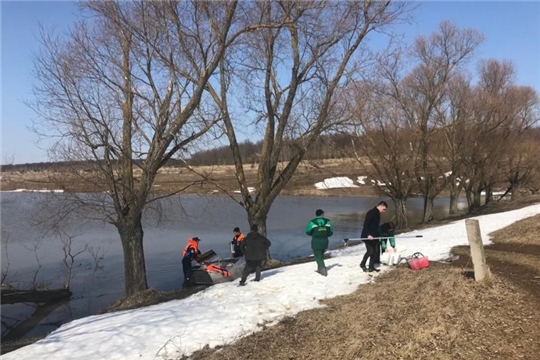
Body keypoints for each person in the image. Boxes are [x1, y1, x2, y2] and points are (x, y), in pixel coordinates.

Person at [360, 201, 388, 273]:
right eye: (384, 209)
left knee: (376, 251)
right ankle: (362, 264)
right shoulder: (371, 212)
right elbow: (366, 225)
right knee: (370, 251)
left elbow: (375, 227)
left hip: (375, 236)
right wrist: (368, 234)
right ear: (381, 206)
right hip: (367, 236)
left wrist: (378, 235)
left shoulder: (377, 213)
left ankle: (371, 267)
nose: (384, 211)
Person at [305, 209, 334, 277]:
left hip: (316, 241)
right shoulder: (328, 221)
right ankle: (319, 269)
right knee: (321, 254)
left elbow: (308, 231)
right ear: (322, 214)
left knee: (318, 256)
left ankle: (323, 270)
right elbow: (331, 232)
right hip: (325, 241)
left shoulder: (312, 222)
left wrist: (314, 233)